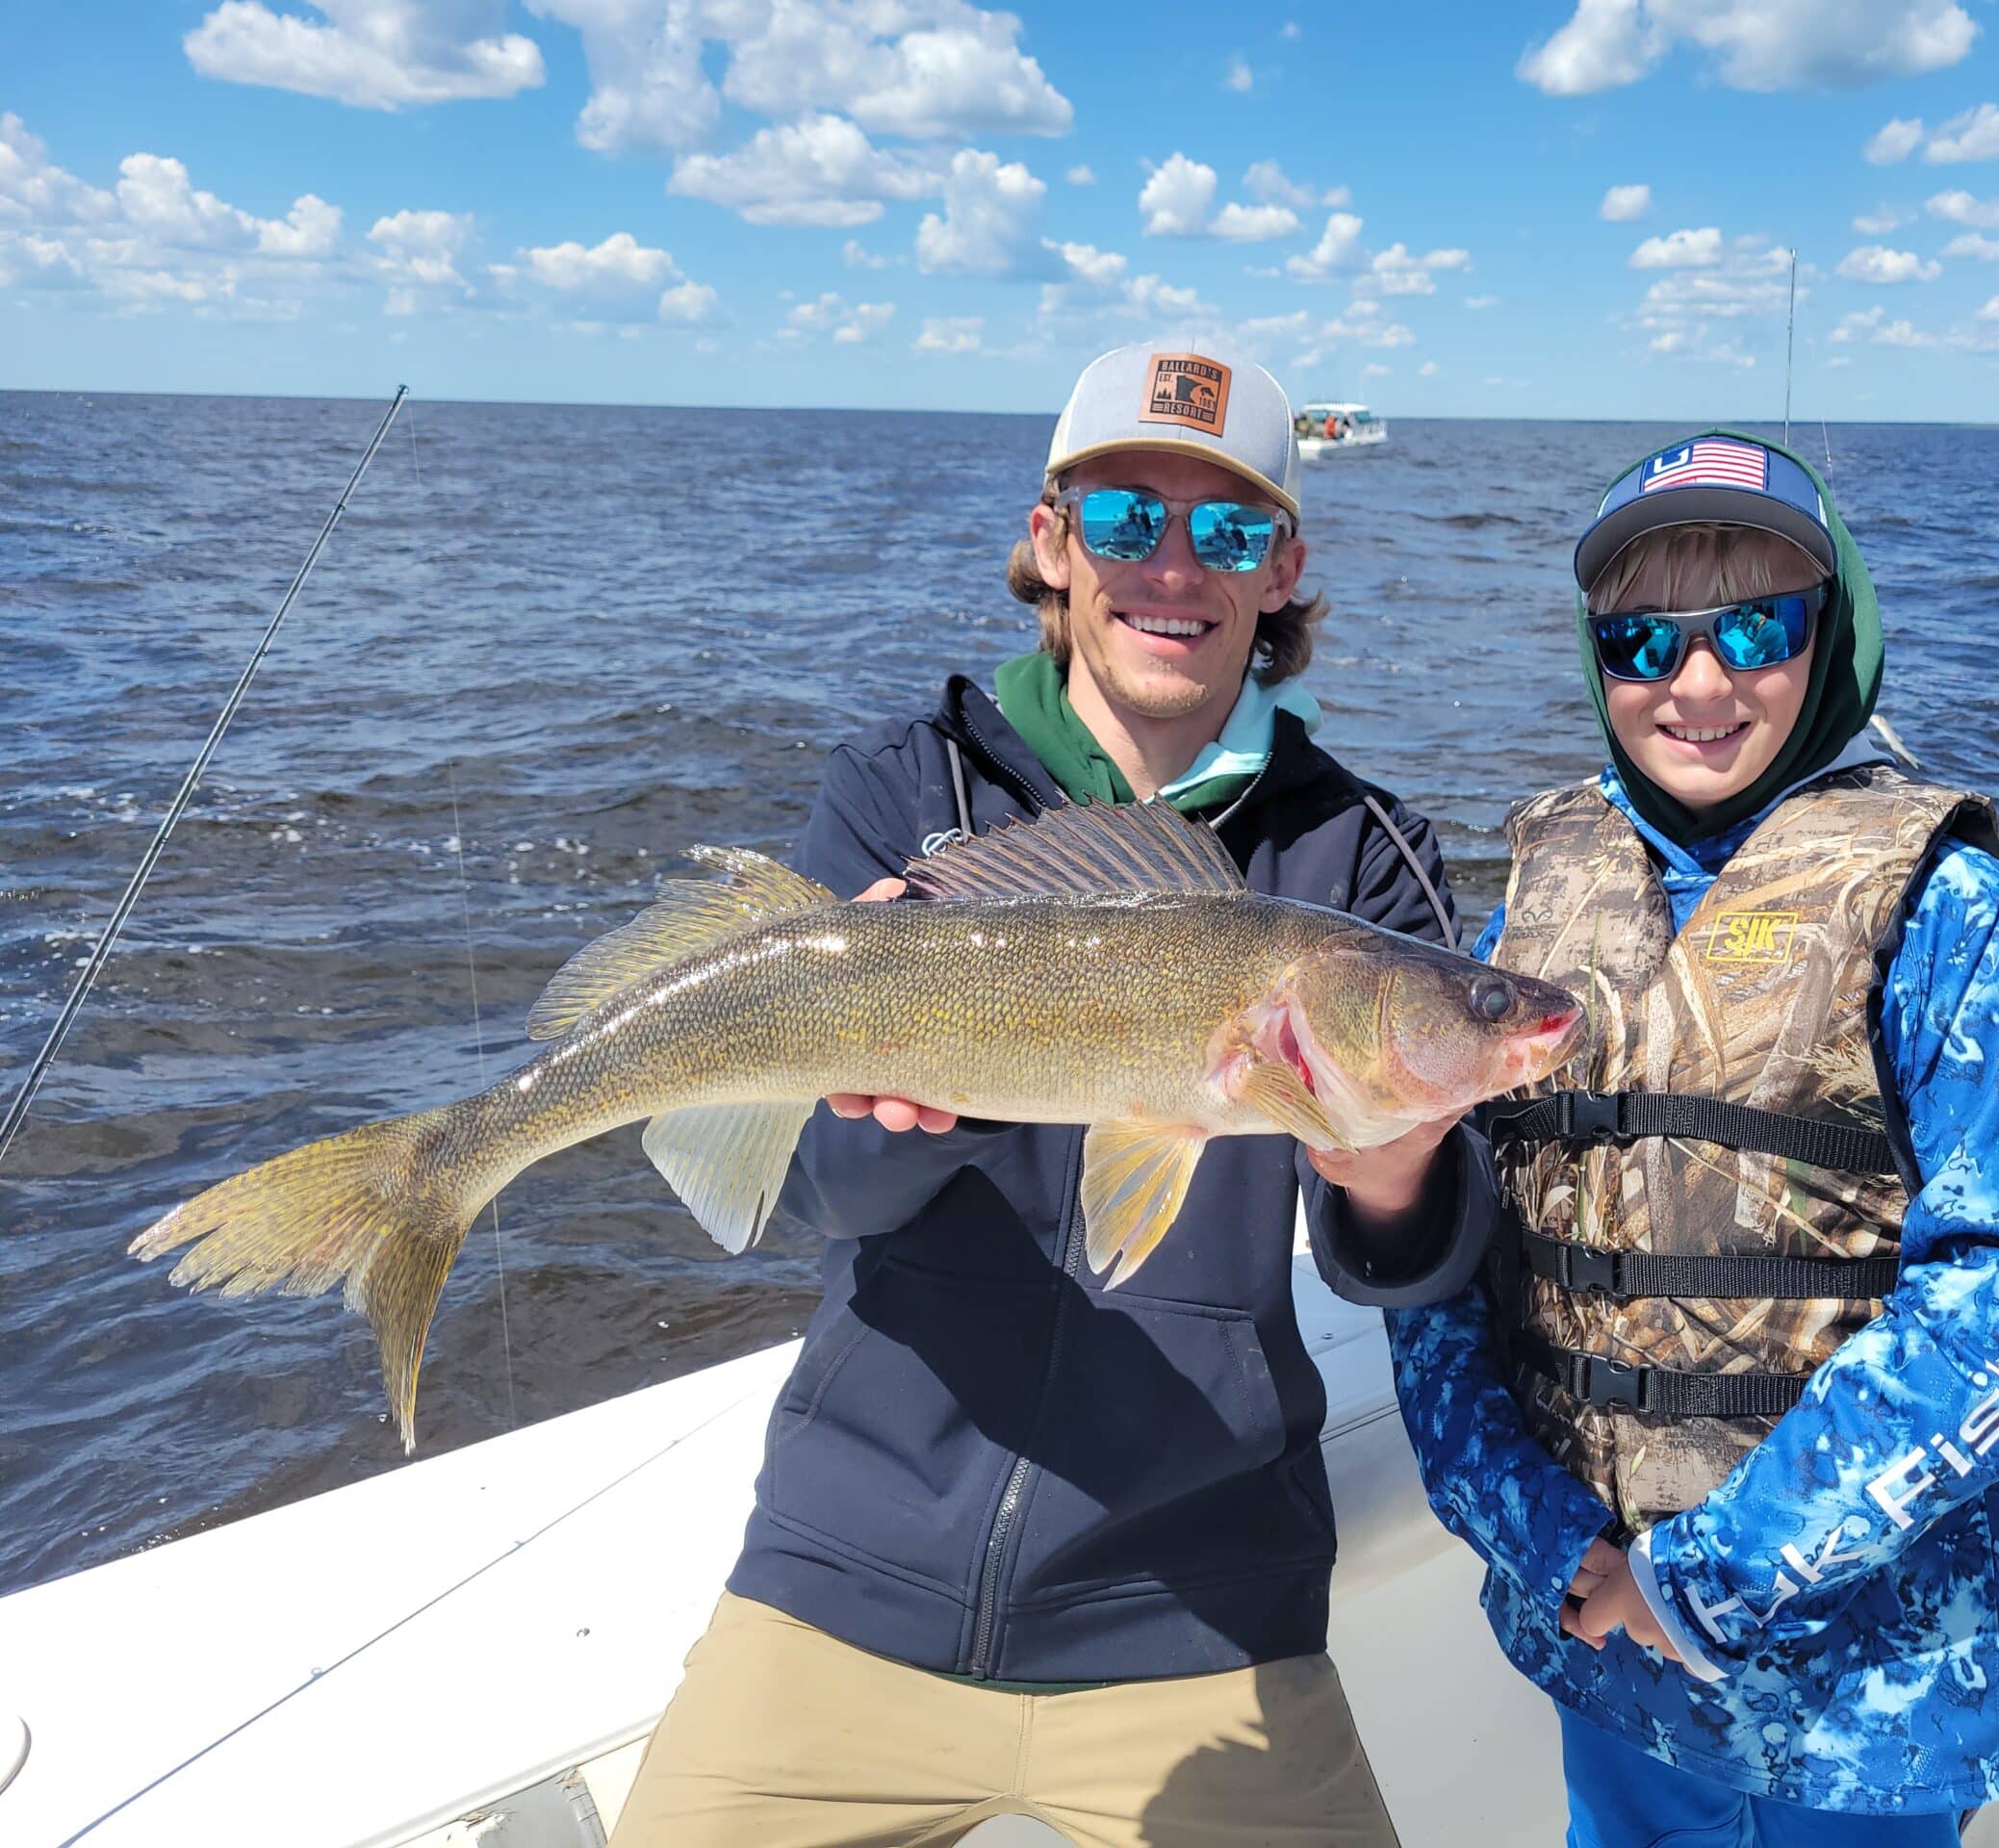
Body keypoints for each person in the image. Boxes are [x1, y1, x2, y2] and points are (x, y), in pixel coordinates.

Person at [611, 341, 1494, 1848]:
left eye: (1225, 530)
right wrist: (888, 1119)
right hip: (848, 1581)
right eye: (1122, 520)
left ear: (1281, 568)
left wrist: (1397, 1173)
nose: (1173, 566)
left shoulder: (1362, 858)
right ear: (1050, 542)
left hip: (1202, 1616)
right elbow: (796, 1199)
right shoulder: (901, 792)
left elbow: (1414, 1269)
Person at [1387, 431, 1999, 1843]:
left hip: (1870, 1698)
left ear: (1830, 636)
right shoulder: (1529, 914)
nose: (1697, 683)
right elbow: (1453, 1261)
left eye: (1754, 627)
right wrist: (1543, 1543)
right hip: (1606, 1660)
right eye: (1643, 639)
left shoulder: (1950, 916)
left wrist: (1704, 1579)